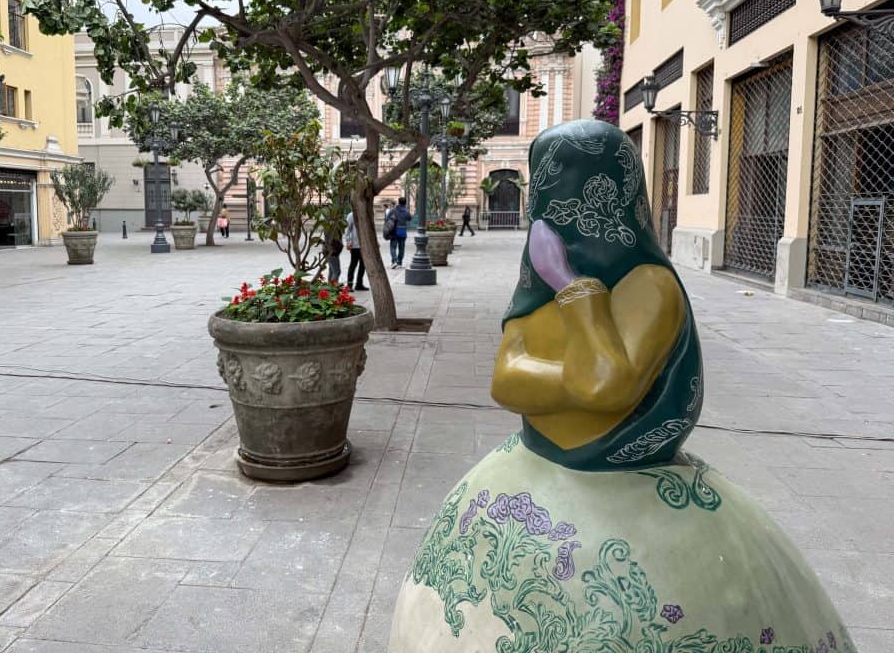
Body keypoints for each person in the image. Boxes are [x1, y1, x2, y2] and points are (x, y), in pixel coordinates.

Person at [388, 120, 854, 653]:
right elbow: (506, 378)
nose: (558, 219)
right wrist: (573, 375)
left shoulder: (651, 287)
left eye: (571, 198)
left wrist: (570, 286)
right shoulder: (532, 289)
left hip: (633, 491)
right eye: (549, 200)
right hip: (537, 466)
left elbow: (607, 385)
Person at [343, 211, 367, 290]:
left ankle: (359, 284)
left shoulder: (366, 213)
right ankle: (349, 285)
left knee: (363, 265)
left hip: (365, 245)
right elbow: (347, 229)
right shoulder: (351, 215)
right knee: (353, 264)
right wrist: (348, 241)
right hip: (355, 245)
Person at [388, 196, 411, 269]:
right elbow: (410, 218)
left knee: (393, 247)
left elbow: (387, 219)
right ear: (405, 203)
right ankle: (399, 262)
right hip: (402, 230)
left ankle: (394, 261)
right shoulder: (406, 211)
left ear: (398, 202)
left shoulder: (393, 210)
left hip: (395, 230)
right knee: (401, 247)